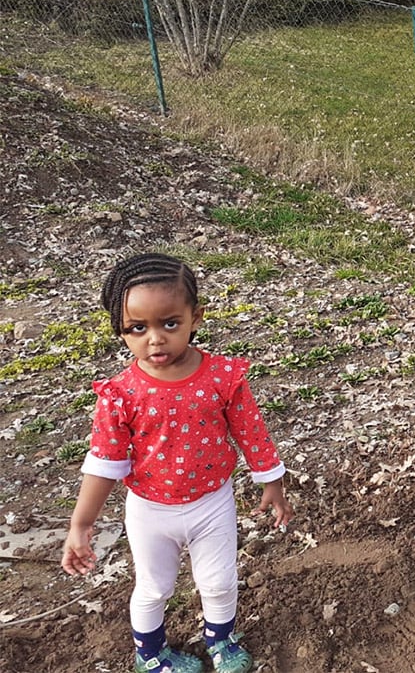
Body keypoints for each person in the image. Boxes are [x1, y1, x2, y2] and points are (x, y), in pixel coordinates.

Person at [61, 253, 294, 673]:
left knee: (219, 581)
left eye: (170, 323)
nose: (155, 338)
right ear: (121, 330)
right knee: (153, 587)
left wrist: (271, 481)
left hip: (212, 502)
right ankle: (150, 654)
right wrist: (81, 523)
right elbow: (104, 462)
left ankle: (221, 640)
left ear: (195, 317)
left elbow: (251, 431)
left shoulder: (223, 377)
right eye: (137, 328)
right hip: (150, 509)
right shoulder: (121, 395)